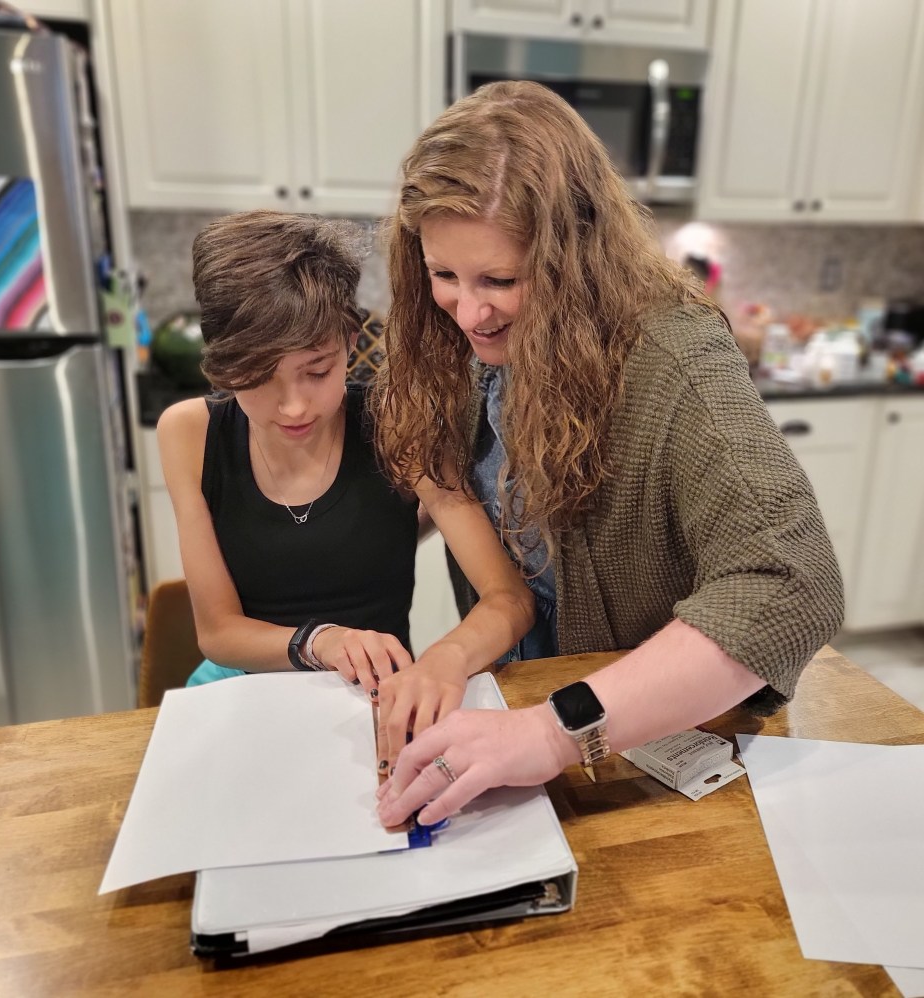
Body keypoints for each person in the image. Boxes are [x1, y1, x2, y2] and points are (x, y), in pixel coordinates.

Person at [373, 81, 844, 828]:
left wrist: (549, 732)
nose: (469, 311)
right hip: (525, 715)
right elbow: (454, 503)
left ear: (576, 258)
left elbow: (793, 583)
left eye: (501, 280)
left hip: (654, 744)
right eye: (444, 275)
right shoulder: (461, 350)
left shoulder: (674, 357)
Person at [157, 210, 534, 747]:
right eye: (257, 377)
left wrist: (446, 657)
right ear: (222, 362)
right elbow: (218, 632)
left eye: (317, 371)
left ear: (350, 342)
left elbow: (508, 598)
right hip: (241, 694)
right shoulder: (190, 433)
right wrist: (321, 642)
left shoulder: (396, 423)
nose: (293, 406)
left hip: (374, 701)